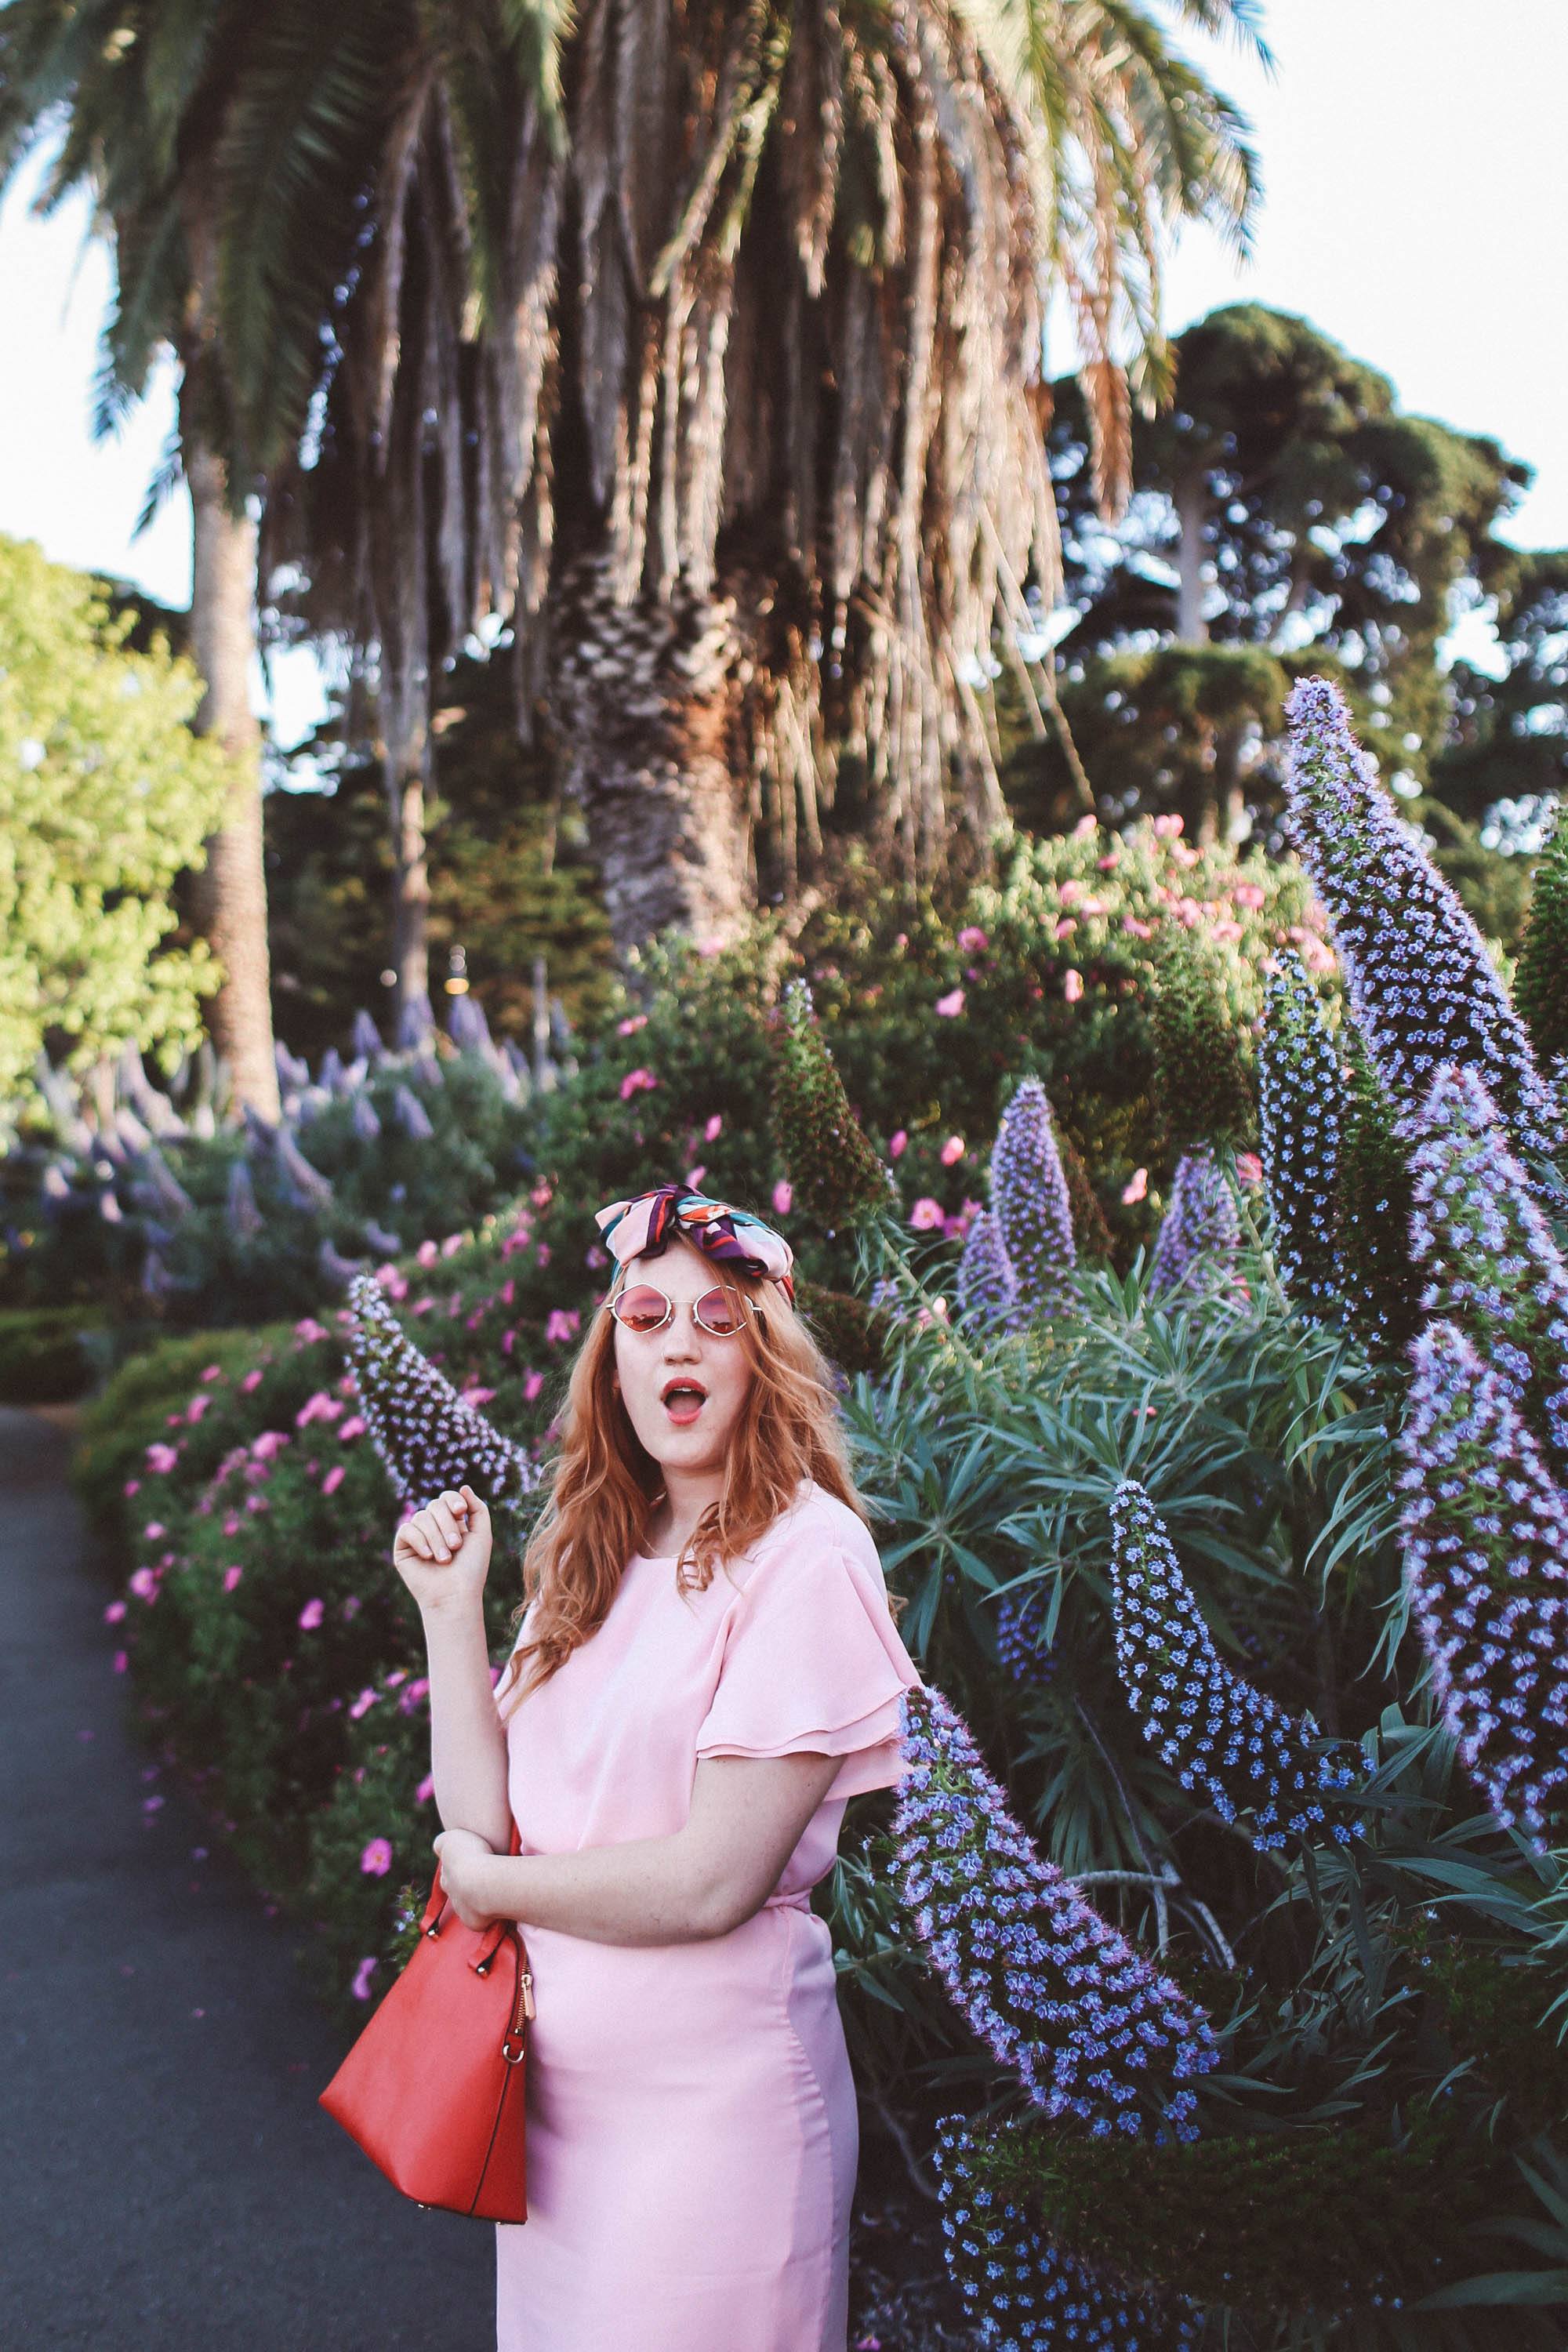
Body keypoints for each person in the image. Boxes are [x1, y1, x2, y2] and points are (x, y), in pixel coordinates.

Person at [390, 1181, 924, 2352]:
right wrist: (449, 1610)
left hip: (714, 2129)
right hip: (552, 2117)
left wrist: (491, 1889)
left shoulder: (806, 1555)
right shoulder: (594, 1545)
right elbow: (483, 1815)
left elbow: (710, 1882)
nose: (678, 1343)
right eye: (646, 1317)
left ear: (762, 1358)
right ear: (614, 1360)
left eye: (717, 1320)